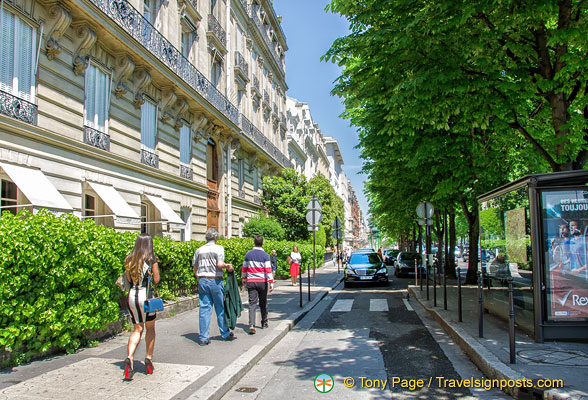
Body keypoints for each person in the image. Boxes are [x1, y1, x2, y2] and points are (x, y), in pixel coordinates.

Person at [123, 233, 159, 380]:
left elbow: (128, 279)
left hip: (132, 295)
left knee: (137, 328)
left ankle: (130, 357)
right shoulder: (151, 259)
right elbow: (156, 280)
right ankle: (148, 358)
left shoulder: (129, 259)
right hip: (146, 297)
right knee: (150, 328)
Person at [192, 228, 236, 346]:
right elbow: (219, 264)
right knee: (220, 307)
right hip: (215, 280)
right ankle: (225, 333)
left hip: (202, 280)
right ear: (215, 237)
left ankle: (203, 337)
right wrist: (228, 266)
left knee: (204, 308)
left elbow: (195, 267)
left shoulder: (199, 250)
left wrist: (198, 277)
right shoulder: (218, 248)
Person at [242, 235, 274, 334]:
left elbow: (244, 268)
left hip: (251, 281)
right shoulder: (265, 255)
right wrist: (271, 282)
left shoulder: (248, 254)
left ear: (254, 243)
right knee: (263, 302)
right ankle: (264, 322)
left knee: (252, 303)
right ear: (262, 243)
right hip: (262, 282)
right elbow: (268, 270)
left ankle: (251, 325)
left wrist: (244, 278)